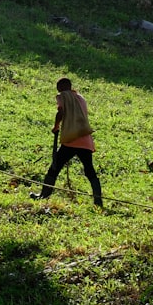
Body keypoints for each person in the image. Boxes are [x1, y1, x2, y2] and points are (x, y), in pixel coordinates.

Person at [31, 77, 103, 207]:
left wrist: (56, 126)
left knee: (55, 167)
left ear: (61, 88)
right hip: (85, 139)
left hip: (71, 140)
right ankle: (98, 201)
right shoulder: (81, 98)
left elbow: (61, 112)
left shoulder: (63, 96)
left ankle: (43, 195)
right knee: (89, 170)